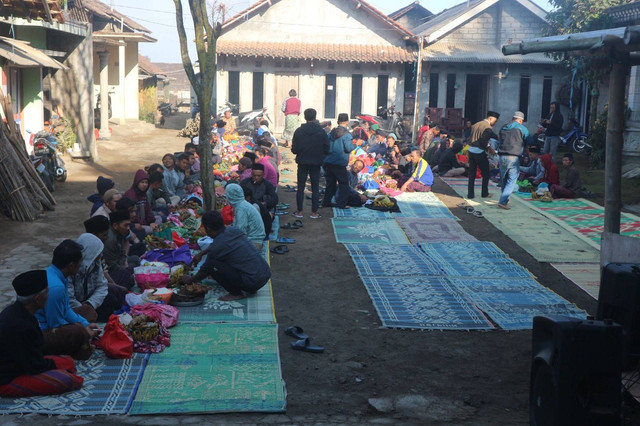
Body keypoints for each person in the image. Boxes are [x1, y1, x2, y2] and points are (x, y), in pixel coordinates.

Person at [0, 270, 84, 398]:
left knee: (68, 362)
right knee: (68, 380)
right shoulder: (20, 325)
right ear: (37, 298)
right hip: (8, 378)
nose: (49, 295)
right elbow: (34, 366)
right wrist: (54, 366)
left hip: (23, 363)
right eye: (47, 291)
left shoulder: (20, 312)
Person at [184, 210, 271, 301]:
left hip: (252, 282)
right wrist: (201, 253)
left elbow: (205, 270)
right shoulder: (233, 230)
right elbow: (217, 244)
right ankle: (249, 287)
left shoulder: (217, 246)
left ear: (208, 228)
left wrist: (190, 280)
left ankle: (235, 293)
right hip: (264, 274)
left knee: (212, 264)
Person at [36, 240, 100, 360]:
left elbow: (66, 310)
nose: (81, 266)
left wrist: (86, 324)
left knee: (88, 311)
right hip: (41, 332)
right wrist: (83, 330)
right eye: (80, 263)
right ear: (71, 265)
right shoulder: (56, 287)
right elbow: (54, 324)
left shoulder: (58, 275)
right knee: (78, 331)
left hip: (54, 321)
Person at [68, 233, 125, 323]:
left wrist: (90, 304)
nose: (101, 255)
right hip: (75, 306)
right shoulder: (71, 269)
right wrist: (82, 308)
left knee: (110, 299)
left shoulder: (96, 263)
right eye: (98, 252)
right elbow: (69, 298)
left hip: (89, 302)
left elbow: (102, 286)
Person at [291, 108, 330, 219]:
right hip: (316, 163)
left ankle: (300, 212)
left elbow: (294, 149)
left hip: (302, 162)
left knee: (301, 187)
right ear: (315, 117)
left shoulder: (299, 131)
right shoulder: (321, 132)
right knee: (315, 187)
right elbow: (327, 148)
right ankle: (314, 212)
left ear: (305, 117)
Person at [497, 111, 532, 209]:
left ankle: (504, 199)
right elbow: (529, 140)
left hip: (501, 155)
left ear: (513, 118)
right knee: (511, 180)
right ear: (521, 120)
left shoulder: (503, 127)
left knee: (503, 179)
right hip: (513, 156)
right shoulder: (522, 128)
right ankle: (503, 201)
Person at [323, 113, 358, 210]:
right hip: (339, 162)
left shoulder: (331, 132)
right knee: (344, 183)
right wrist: (356, 145)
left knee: (330, 183)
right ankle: (342, 204)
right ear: (347, 122)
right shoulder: (346, 134)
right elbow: (348, 148)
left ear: (338, 122)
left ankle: (326, 202)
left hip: (328, 161)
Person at [467, 111, 500, 199]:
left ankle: (470, 194)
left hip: (470, 150)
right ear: (491, 118)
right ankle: (484, 193)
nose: (495, 123)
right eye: (495, 121)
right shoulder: (488, 127)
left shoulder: (476, 124)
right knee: (486, 173)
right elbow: (484, 141)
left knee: (472, 173)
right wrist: (490, 149)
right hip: (479, 152)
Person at [103, 210, 137, 290]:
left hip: (119, 264)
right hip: (110, 271)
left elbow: (122, 252)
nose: (128, 228)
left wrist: (125, 262)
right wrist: (124, 269)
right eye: (126, 225)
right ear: (115, 225)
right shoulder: (109, 240)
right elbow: (111, 264)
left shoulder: (120, 233)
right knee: (128, 275)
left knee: (135, 260)